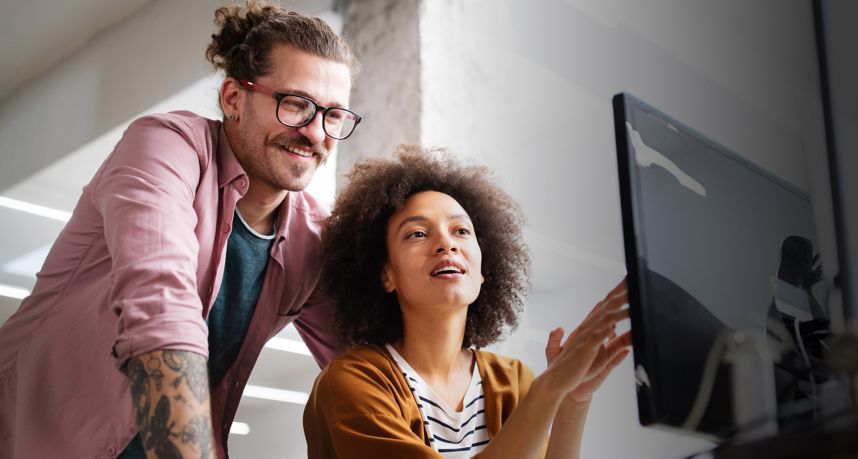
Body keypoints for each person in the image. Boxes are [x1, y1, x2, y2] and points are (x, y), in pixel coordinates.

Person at [0, 2, 360, 457]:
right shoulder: (167, 145)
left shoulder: (311, 238)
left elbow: (365, 368)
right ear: (233, 98)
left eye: (334, 116)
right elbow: (160, 303)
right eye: (295, 105)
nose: (315, 133)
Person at [303, 146, 632, 458]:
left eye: (461, 231)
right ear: (387, 273)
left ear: (484, 270)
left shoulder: (512, 379)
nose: (446, 243)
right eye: (417, 233)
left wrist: (574, 400)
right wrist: (549, 390)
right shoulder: (351, 382)